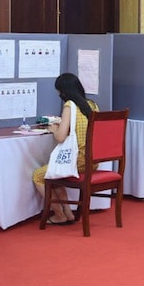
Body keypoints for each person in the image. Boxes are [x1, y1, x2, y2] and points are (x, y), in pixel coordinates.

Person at [32, 73, 98, 224]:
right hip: (92, 161)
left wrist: (54, 128)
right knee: (56, 175)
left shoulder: (69, 106)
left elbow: (60, 138)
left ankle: (58, 214)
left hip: (77, 161)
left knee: (38, 176)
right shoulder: (92, 105)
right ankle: (68, 214)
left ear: (64, 91)